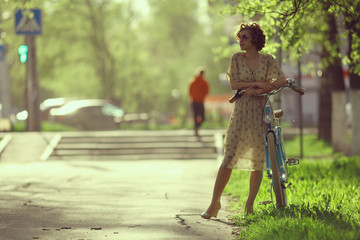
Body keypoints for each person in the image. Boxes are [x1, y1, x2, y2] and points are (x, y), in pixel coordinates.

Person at [201, 23, 287, 219]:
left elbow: (281, 80)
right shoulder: (236, 58)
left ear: (255, 39)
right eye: (239, 37)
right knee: (229, 156)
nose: (241, 40)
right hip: (241, 112)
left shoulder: (267, 60)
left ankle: (249, 206)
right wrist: (256, 83)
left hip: (260, 112)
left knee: (257, 159)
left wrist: (262, 89)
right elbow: (234, 84)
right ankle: (214, 203)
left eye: (245, 37)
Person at [189, 68, 210, 136]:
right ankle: (197, 127)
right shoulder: (204, 82)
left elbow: (189, 91)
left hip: (194, 101)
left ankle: (196, 127)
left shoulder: (192, 81)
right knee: (202, 116)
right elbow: (207, 91)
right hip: (199, 101)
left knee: (196, 115)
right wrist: (201, 96)